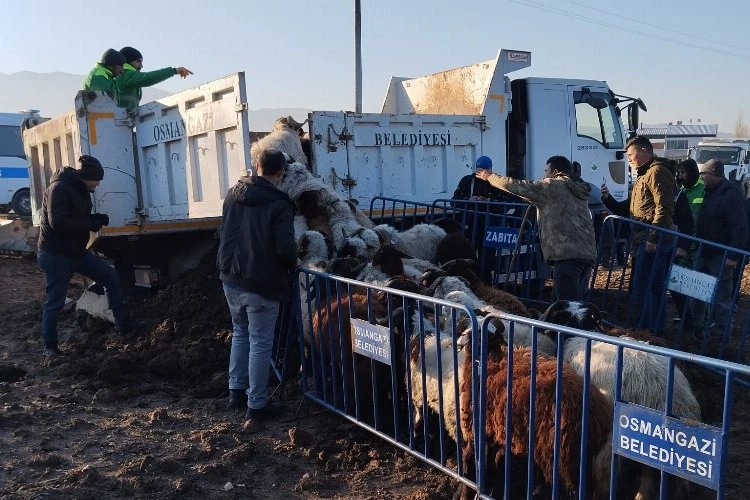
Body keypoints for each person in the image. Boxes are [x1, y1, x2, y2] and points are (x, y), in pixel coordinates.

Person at [217, 147, 297, 423]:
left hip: (231, 278)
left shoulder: (233, 193)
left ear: (257, 166)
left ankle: (236, 392)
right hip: (261, 282)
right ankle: (257, 404)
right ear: (281, 172)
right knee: (261, 343)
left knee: (240, 333)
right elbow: (285, 249)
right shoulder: (280, 204)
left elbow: (225, 232)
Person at [37, 155, 136, 356]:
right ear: (86, 177)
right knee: (55, 301)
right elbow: (58, 222)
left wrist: (94, 219)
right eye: (96, 180)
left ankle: (124, 327)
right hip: (56, 255)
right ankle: (50, 347)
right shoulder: (59, 188)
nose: (98, 185)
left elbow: (74, 217)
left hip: (76, 252)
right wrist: (89, 224)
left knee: (109, 277)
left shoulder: (80, 188)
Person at [476, 155, 597, 301]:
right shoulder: (576, 188)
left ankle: (567, 324)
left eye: (546, 171)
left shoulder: (552, 186)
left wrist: (490, 177)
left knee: (568, 305)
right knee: (566, 302)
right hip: (586, 253)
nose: (544, 175)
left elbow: (516, 186)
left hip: (567, 255)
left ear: (555, 172)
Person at [600, 136, 676, 334]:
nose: (630, 160)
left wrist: (652, 238)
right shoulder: (643, 175)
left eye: (632, 155)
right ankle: (654, 330)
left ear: (644, 151)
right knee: (654, 287)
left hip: (653, 239)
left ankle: (645, 330)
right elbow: (630, 208)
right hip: (645, 238)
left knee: (643, 287)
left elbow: (664, 208)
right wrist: (608, 201)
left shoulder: (657, 172)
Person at [691, 159, 748, 336]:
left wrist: (732, 256)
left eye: (704, 175)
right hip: (704, 250)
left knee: (722, 297)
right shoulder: (711, 192)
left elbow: (739, 226)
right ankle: (698, 328)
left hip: (721, 254)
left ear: (714, 174)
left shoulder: (730, 195)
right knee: (699, 292)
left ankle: (721, 334)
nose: (702, 179)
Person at [672, 158, 703, 326]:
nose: (681, 176)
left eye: (684, 172)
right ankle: (686, 317)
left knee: (697, 284)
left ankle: (701, 320)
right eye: (679, 172)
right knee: (682, 283)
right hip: (682, 243)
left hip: (697, 244)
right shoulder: (679, 192)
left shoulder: (703, 190)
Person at [115, 46, 193, 111]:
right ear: (128, 61)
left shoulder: (127, 76)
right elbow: (147, 78)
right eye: (138, 61)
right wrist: (174, 71)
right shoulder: (125, 74)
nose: (141, 66)